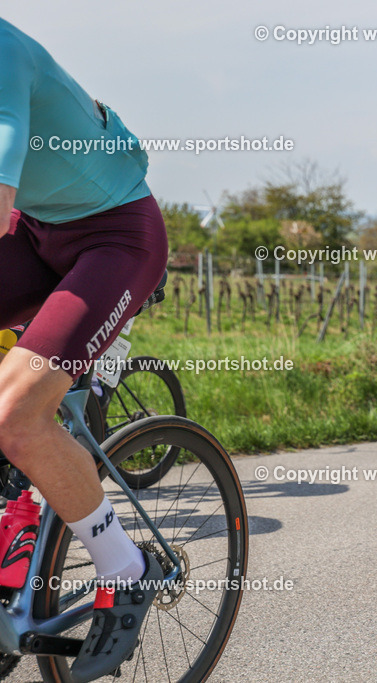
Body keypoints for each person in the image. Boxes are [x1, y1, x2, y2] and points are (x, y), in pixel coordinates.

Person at [0, 19, 166, 680]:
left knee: (15, 416)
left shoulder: (4, 53)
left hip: (115, 237)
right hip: (39, 232)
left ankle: (126, 569)